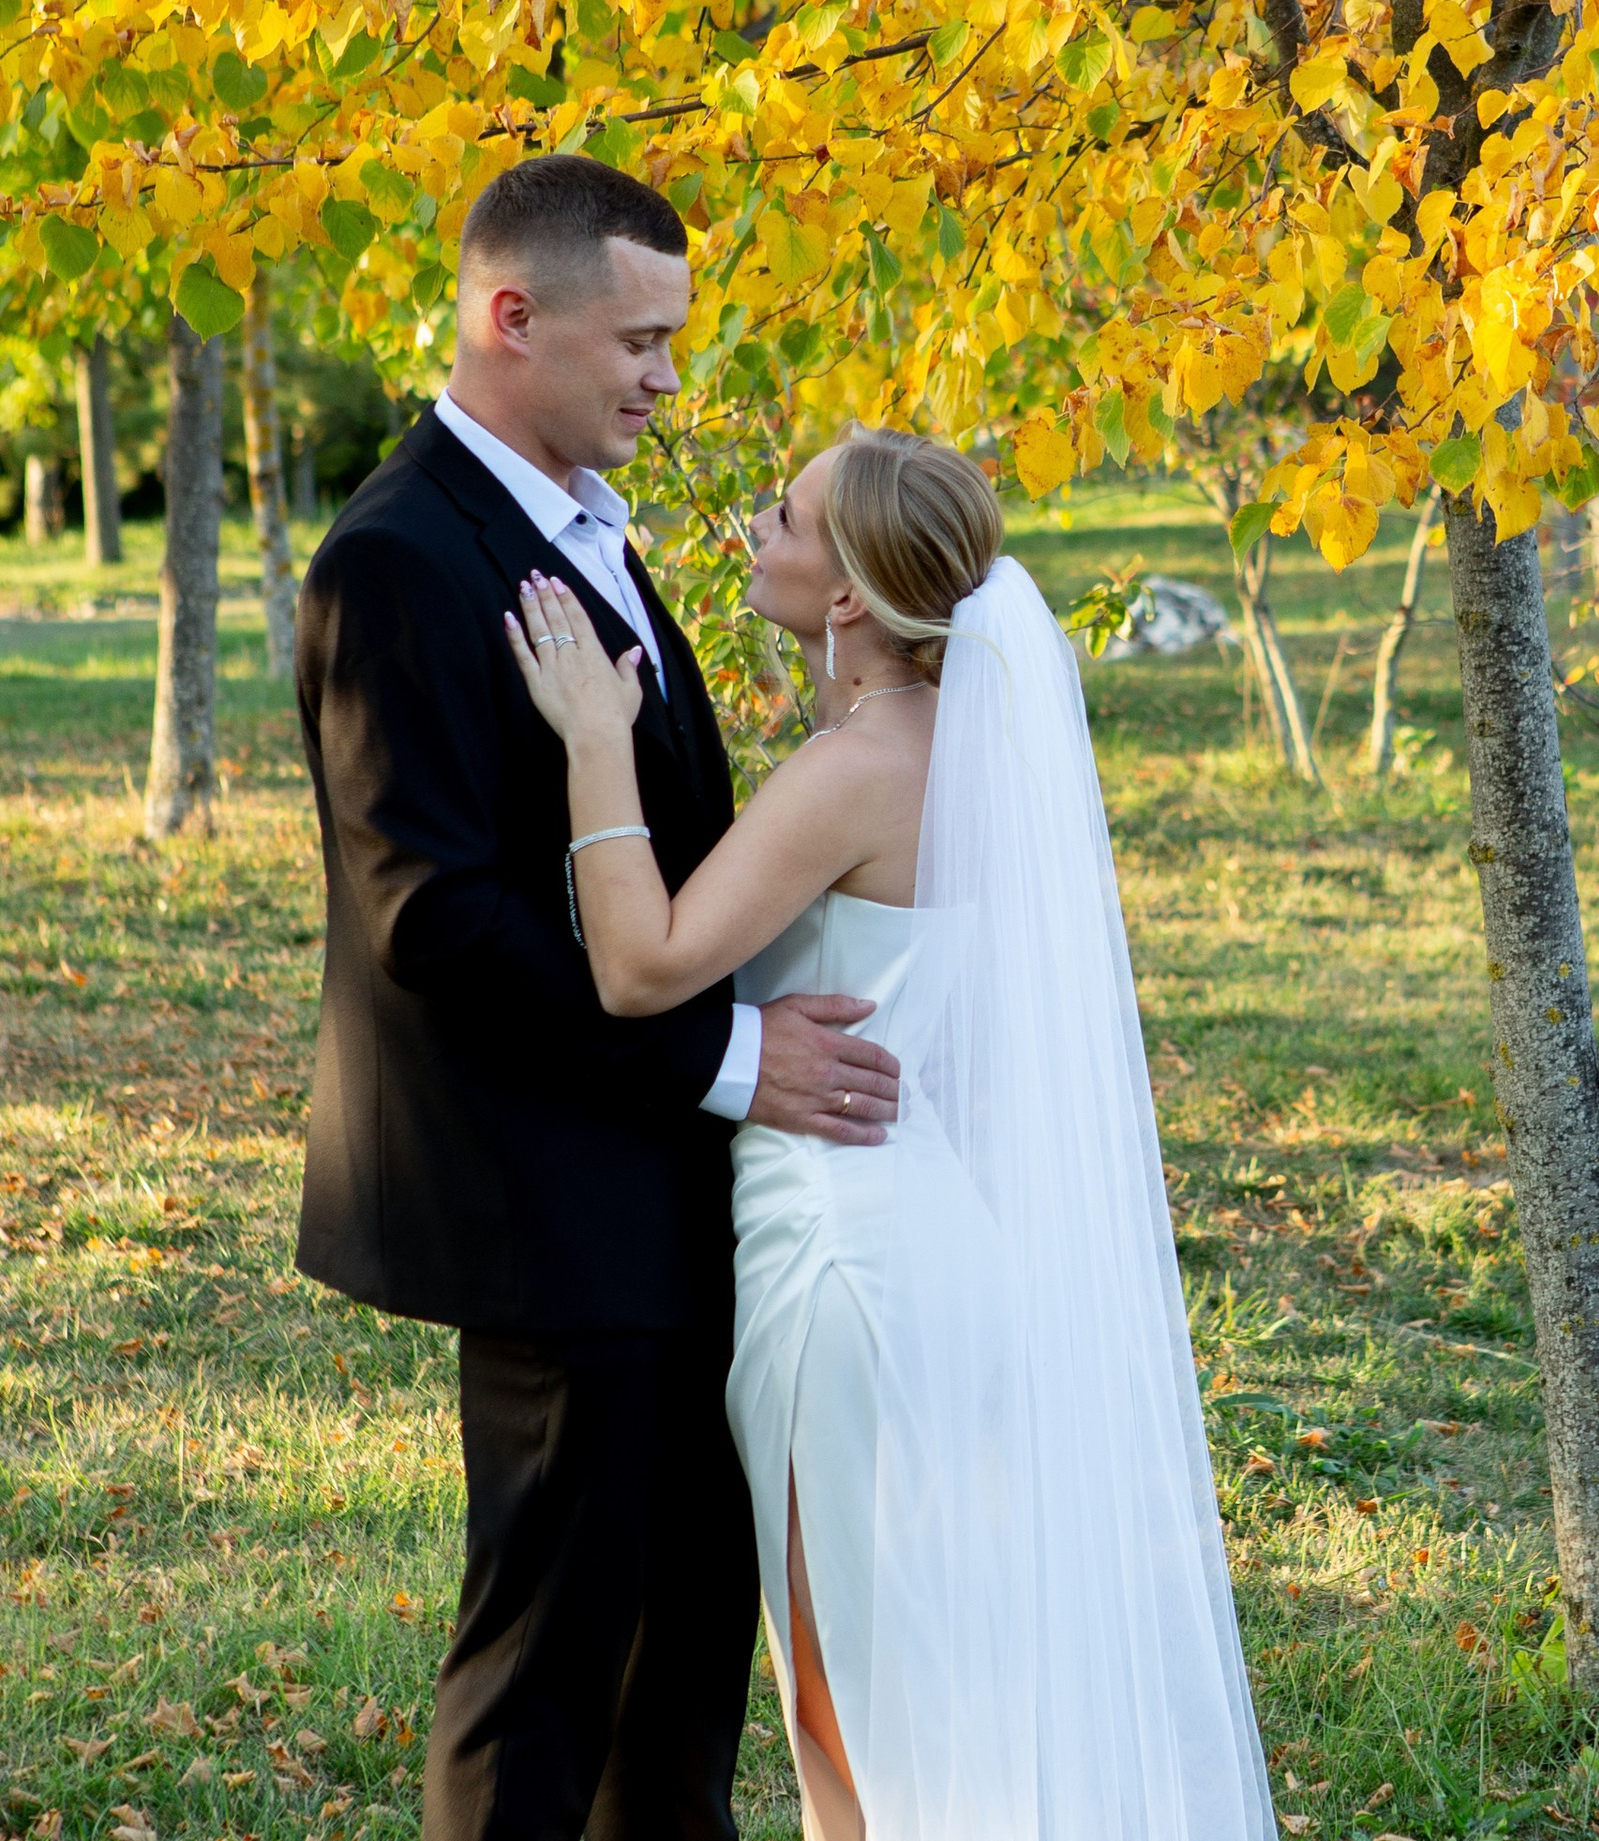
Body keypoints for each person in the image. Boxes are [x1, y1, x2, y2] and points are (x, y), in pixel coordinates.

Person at [505, 424, 1276, 1841]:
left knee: (848, 1712)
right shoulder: (951, 755)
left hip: (843, 1268)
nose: (757, 522)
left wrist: (597, 745)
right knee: (922, 1685)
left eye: (787, 513)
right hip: (927, 1239)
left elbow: (638, 965)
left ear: (850, 592)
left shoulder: (863, 768)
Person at [292, 155, 904, 1841]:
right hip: (546, 1201)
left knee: (682, 1662)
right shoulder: (400, 558)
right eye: (637, 339)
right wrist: (729, 1059)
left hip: (680, 1197)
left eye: (674, 341)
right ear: (511, 316)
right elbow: (434, 920)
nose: (664, 376)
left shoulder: (580, 526)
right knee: (548, 1672)